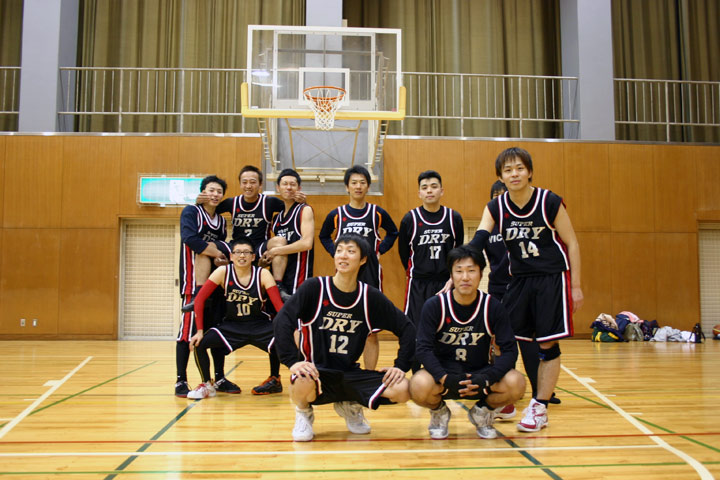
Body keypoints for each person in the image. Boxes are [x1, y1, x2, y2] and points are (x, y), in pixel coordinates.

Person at [469, 147, 583, 432]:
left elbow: (572, 243)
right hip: (518, 280)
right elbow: (479, 240)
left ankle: (540, 406)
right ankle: (506, 398)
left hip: (551, 278)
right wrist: (459, 264)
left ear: (529, 171)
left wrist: (576, 286)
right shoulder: (496, 207)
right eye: (508, 170)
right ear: (500, 177)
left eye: (519, 168)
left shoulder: (549, 201)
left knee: (547, 345)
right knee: (502, 340)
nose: (514, 174)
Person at [273, 234, 416, 442]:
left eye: (350, 251)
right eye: (339, 250)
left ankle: (349, 403)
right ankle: (303, 412)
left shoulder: (369, 297)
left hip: (349, 373)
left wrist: (400, 366)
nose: (343, 255)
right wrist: (292, 361)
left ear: (363, 259)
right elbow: (282, 320)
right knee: (302, 379)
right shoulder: (314, 288)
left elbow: (407, 328)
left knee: (403, 389)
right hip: (316, 372)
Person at [191, 165, 305, 395]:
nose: (249, 185)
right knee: (205, 247)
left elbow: (288, 200)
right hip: (236, 248)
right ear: (240, 183)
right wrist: (197, 200)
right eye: (244, 181)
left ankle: (279, 283)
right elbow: (210, 204)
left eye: (253, 181)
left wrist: (300, 198)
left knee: (279, 242)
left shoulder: (269, 203)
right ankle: (198, 289)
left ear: (260, 184)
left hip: (258, 248)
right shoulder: (231, 203)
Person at [410, 245, 525, 439]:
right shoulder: (435, 305)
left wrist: (488, 377)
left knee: (517, 383)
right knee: (417, 385)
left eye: (471, 271)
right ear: (451, 275)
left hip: (480, 374)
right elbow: (422, 349)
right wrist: (443, 377)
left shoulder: (493, 307)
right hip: (444, 376)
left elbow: (510, 351)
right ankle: (439, 412)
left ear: (481, 274)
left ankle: (482, 412)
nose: (465, 277)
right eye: (459, 271)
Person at [484, 180, 560, 411]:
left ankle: (540, 391)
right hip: (498, 289)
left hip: (521, 286)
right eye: (495, 195)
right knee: (499, 342)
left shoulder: (521, 222)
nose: (500, 198)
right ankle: (503, 390)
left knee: (530, 343)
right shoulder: (489, 228)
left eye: (503, 193)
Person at [318, 165, 399, 370]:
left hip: (370, 272)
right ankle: (341, 370)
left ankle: (369, 374)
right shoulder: (337, 214)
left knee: (371, 330)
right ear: (347, 187)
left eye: (362, 182)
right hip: (344, 275)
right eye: (354, 182)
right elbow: (323, 236)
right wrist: (335, 252)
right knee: (342, 324)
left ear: (368, 186)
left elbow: (393, 232)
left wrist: (379, 250)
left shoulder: (377, 213)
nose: (358, 186)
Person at [186, 237, 286, 399]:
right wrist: (199, 331)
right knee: (200, 343)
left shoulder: (263, 274)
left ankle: (276, 379)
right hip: (232, 325)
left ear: (253, 257)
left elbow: (279, 306)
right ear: (231, 256)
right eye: (238, 252)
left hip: (259, 324)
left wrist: (290, 330)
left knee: (283, 339)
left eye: (246, 252)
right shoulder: (223, 272)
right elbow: (199, 300)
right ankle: (207, 384)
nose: (242, 256)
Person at [175, 175, 239, 397]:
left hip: (214, 284)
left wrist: (220, 257)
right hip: (193, 283)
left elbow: (220, 249)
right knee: (187, 333)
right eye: (211, 190)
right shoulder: (191, 212)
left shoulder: (220, 221)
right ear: (203, 192)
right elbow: (190, 239)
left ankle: (219, 377)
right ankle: (180, 380)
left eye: (219, 191)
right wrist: (218, 253)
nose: (215, 194)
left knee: (215, 332)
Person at [398, 170, 464, 371]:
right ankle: (417, 374)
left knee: (446, 329)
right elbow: (404, 253)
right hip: (418, 284)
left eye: (434, 187)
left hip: (446, 283)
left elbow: (458, 252)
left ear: (441, 190)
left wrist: (453, 278)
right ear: (419, 193)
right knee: (415, 330)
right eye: (424, 187)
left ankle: (443, 372)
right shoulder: (410, 219)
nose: (429, 191)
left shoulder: (453, 218)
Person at [261, 169, 314, 299]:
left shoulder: (305, 210)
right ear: (278, 188)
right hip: (278, 276)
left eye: (292, 184)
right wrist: (267, 257)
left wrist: (275, 251)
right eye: (285, 184)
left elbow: (307, 243)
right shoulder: (277, 218)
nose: (289, 187)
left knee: (295, 310)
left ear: (299, 188)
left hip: (298, 275)